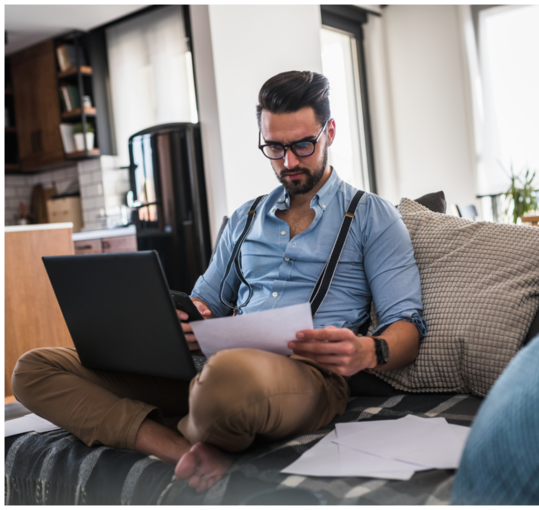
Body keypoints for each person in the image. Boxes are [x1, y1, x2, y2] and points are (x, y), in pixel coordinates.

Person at [12, 71, 426, 494]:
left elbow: (407, 324)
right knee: (33, 369)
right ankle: (174, 444)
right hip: (211, 370)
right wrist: (183, 321)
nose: (289, 162)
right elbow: (204, 301)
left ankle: (180, 417)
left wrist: (368, 350)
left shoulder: (371, 215)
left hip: (306, 377)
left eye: (303, 145)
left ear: (330, 132)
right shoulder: (246, 218)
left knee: (227, 380)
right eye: (274, 147)